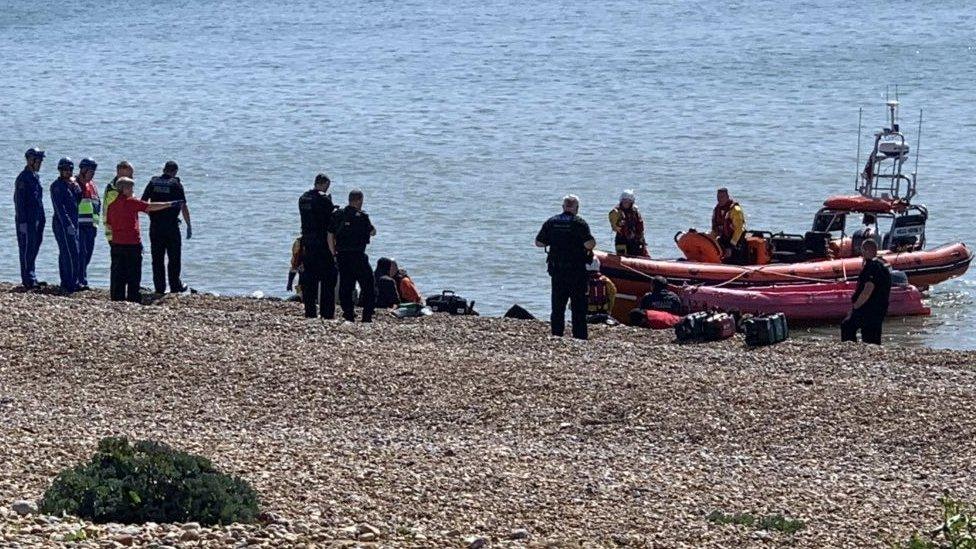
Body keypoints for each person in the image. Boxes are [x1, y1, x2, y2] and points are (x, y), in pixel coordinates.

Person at [106, 177, 183, 302]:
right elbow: (150, 206)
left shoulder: (112, 205)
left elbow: (109, 224)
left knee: (117, 272)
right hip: (131, 243)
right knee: (134, 273)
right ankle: (132, 297)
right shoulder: (131, 202)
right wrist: (170, 204)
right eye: (131, 188)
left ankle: (116, 297)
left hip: (116, 243)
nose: (132, 190)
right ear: (125, 189)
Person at [535, 195, 596, 340]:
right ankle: (579, 336)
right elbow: (590, 244)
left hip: (557, 270)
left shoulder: (552, 222)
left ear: (563, 207)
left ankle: (557, 334)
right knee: (578, 306)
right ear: (577, 208)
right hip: (576, 270)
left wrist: (553, 242)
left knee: (558, 305)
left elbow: (538, 242)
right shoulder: (579, 223)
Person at [142, 161, 191, 294]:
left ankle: (159, 288)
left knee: (157, 258)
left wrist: (152, 216)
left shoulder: (153, 182)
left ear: (164, 170)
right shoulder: (176, 184)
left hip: (155, 226)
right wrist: (188, 224)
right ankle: (175, 286)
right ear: (175, 171)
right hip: (171, 226)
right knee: (174, 258)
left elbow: (143, 203)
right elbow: (183, 206)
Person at [329, 189, 377, 322]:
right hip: (358, 255)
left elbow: (330, 235)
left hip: (342, 255)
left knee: (346, 286)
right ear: (359, 200)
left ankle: (348, 314)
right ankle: (366, 316)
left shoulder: (338, 215)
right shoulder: (362, 217)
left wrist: (333, 253)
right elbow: (373, 232)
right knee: (368, 285)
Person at [298, 174, 338, 318]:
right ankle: (326, 314)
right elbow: (331, 220)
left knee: (310, 279)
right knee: (328, 278)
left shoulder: (303, 198)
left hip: (308, 243)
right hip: (322, 244)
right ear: (324, 184)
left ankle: (310, 312)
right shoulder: (323, 199)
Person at [841, 239, 892, 344]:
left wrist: (856, 306)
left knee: (847, 325)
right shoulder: (883, 263)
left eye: (863, 250)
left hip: (868, 308)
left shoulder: (872, 266)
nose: (862, 253)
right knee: (872, 335)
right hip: (880, 307)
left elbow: (868, 288)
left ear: (867, 250)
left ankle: (850, 348)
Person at [14, 147, 47, 289]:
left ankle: (32, 275)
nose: (39, 164)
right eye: (37, 161)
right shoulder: (23, 178)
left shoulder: (35, 177)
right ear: (30, 160)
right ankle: (28, 279)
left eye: (40, 161)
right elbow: (19, 201)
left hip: (37, 219)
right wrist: (22, 221)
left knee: (34, 247)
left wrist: (42, 218)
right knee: (27, 248)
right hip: (26, 221)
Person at [50, 158, 82, 293]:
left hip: (74, 222)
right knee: (69, 252)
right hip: (62, 224)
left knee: (73, 252)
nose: (67, 172)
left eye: (69, 170)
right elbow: (59, 208)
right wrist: (67, 224)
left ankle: (70, 281)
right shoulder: (56, 186)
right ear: (60, 170)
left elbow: (78, 201)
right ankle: (69, 283)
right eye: (64, 170)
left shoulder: (72, 185)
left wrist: (76, 188)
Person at [76, 158, 101, 289]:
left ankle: (82, 278)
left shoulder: (92, 185)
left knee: (88, 253)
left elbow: (97, 204)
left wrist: (97, 224)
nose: (92, 174)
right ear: (83, 170)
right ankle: (80, 280)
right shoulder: (75, 184)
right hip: (79, 224)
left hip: (91, 226)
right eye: (91, 171)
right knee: (81, 253)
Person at [710, 188, 747, 265]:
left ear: (727, 197)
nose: (719, 200)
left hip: (736, 240)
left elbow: (739, 230)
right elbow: (715, 229)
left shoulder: (736, 210)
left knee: (734, 260)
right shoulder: (717, 210)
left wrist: (731, 246)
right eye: (718, 197)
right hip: (723, 238)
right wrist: (710, 240)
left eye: (722, 197)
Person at [608, 190, 648, 256]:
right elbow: (614, 226)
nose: (626, 203)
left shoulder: (635, 212)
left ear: (631, 202)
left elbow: (640, 227)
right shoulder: (616, 212)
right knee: (621, 254)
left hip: (635, 240)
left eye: (628, 201)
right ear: (621, 200)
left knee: (640, 254)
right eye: (624, 200)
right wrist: (618, 224)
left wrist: (641, 239)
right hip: (621, 240)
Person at [103, 160, 133, 244]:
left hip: (121, 232)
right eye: (130, 174)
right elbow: (118, 211)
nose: (131, 177)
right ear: (120, 173)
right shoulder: (113, 189)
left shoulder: (124, 187)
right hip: (115, 233)